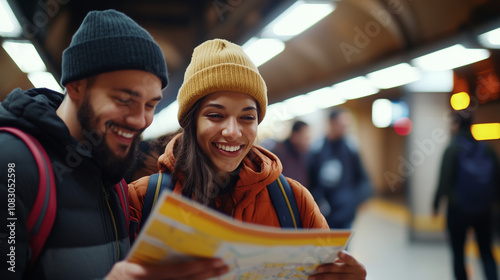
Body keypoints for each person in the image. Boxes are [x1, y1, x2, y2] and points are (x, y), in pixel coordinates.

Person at [0, 9, 228, 280]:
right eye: (124, 99)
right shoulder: (11, 166)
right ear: (76, 86)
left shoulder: (112, 172)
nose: (141, 120)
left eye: (150, 104)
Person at [128, 38, 367, 279]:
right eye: (215, 115)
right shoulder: (142, 199)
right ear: (191, 122)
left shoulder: (294, 200)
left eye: (247, 117)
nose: (232, 131)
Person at [432, 111, 499, 280]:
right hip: (484, 210)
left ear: (455, 125)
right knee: (486, 251)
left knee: (458, 253)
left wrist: (435, 204)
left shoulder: (453, 148)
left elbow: (444, 179)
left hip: (458, 209)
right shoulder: (487, 149)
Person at [307, 108, 373, 229]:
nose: (344, 129)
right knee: (323, 247)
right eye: (341, 125)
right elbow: (310, 179)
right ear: (331, 123)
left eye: (346, 126)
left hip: (345, 213)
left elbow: (363, 177)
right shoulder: (317, 148)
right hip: (323, 213)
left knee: (342, 247)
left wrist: (354, 201)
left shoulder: (351, 147)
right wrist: (317, 199)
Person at [272, 120, 311, 187]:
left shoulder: (305, 155)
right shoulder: (280, 154)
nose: (308, 142)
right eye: (306, 138)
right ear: (295, 136)